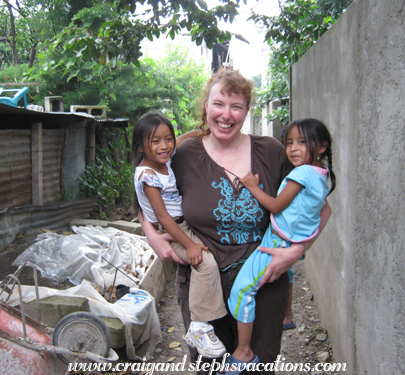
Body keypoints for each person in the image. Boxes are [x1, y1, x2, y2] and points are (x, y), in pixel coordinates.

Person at [139, 68, 332, 375]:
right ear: (206, 106)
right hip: (202, 285)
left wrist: (299, 250)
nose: (226, 115)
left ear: (246, 111)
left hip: (263, 281)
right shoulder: (184, 153)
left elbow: (319, 207)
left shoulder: (272, 152)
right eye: (218, 104)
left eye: (236, 106)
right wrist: (150, 232)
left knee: (257, 367)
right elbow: (144, 189)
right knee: (210, 368)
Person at [225, 118, 336, 371]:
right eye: (289, 143)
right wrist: (304, 244)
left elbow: (275, 205)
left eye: (301, 142)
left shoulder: (302, 173)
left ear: (321, 147)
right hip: (292, 241)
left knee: (242, 291)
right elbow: (326, 212)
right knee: (288, 271)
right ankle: (287, 316)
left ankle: (244, 352)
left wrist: (252, 186)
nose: (293, 148)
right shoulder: (324, 175)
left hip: (276, 241)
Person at [132, 111, 228, 358]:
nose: (164, 146)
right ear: (141, 145)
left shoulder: (162, 160)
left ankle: (202, 323)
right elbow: (162, 216)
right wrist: (189, 244)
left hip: (182, 225)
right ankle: (199, 325)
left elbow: (184, 138)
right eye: (155, 141)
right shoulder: (148, 175)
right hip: (174, 229)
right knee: (204, 264)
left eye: (168, 139)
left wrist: (206, 132)